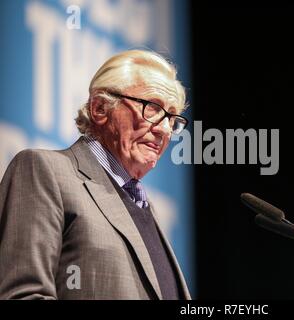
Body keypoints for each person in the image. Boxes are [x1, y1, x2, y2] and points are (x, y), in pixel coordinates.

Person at [0, 50, 191, 300]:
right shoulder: (46, 171)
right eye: (152, 108)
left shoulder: (144, 208)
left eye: (172, 118)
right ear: (100, 108)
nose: (164, 129)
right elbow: (22, 294)